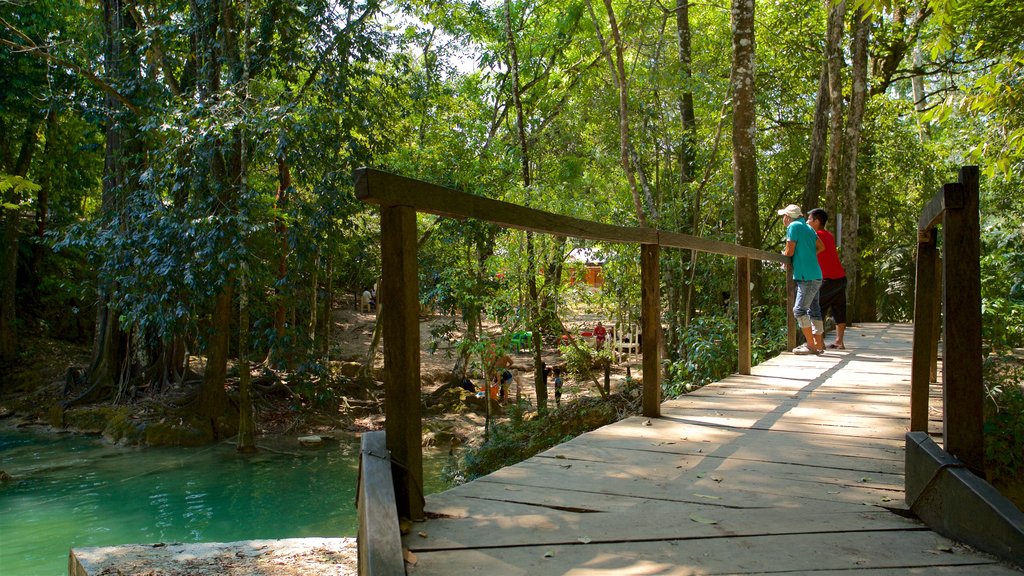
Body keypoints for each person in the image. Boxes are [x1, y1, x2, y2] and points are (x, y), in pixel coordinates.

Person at [778, 204, 825, 354]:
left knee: (799, 310)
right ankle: (818, 344)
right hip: (815, 274)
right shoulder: (808, 227)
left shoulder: (793, 227)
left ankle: (811, 346)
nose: (783, 219)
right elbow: (821, 247)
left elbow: (789, 251)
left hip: (807, 277)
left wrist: (785, 256)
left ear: (788, 217)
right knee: (814, 309)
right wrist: (808, 256)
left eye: (784, 216)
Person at [807, 208, 847, 349]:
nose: (807, 222)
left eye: (809, 219)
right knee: (839, 309)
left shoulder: (815, 234)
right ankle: (839, 341)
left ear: (817, 221)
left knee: (815, 307)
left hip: (828, 279)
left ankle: (819, 343)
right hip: (840, 278)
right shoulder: (829, 235)